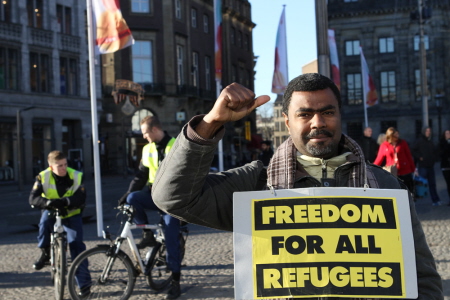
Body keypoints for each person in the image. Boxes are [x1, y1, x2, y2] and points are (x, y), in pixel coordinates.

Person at [152, 73, 442, 298]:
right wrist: (210, 123)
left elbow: (423, 279)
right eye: (304, 114)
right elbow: (172, 198)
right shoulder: (255, 186)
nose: (318, 122)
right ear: (287, 121)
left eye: (328, 112)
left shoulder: (385, 186)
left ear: (340, 116)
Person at [118, 115, 182, 299]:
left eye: (145, 133)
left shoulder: (176, 146)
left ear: (155, 130)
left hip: (172, 201)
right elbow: (141, 175)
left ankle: (175, 280)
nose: (144, 137)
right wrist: (126, 195)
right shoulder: (147, 149)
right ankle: (147, 235)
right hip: (154, 195)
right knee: (133, 198)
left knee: (171, 237)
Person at [29, 150, 91, 297]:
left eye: (65, 164)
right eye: (59, 166)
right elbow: (33, 198)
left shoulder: (76, 175)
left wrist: (67, 201)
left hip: (72, 213)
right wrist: (48, 202)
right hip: (52, 211)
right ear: (51, 167)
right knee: (44, 223)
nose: (63, 168)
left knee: (77, 246)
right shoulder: (43, 177)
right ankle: (45, 252)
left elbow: (81, 197)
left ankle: (84, 286)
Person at [373, 127, 416, 193]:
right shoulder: (384, 145)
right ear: (390, 136)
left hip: (405, 171)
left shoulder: (403, 143)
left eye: (398, 134)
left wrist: (413, 169)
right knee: (395, 192)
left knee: (407, 192)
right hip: (392, 172)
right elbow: (379, 159)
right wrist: (372, 169)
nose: (397, 136)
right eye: (395, 135)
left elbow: (409, 156)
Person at [413, 126, 442, 206]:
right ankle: (415, 200)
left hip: (430, 166)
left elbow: (435, 152)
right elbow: (413, 151)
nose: (428, 132)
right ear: (423, 132)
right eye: (427, 131)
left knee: (432, 184)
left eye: (429, 131)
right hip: (423, 166)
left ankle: (435, 200)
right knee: (420, 184)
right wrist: (419, 157)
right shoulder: (419, 141)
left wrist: (434, 159)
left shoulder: (430, 142)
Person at [439, 129, 450, 205]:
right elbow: (441, 153)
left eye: (449, 133)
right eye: (447, 133)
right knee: (449, 183)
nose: (448, 134)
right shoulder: (442, 143)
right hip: (446, 166)